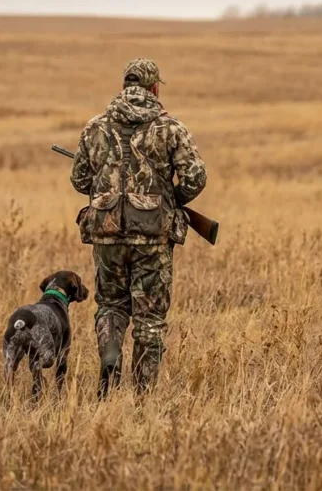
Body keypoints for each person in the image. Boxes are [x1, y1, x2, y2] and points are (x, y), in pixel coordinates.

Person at [70, 58, 207, 397]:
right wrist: (168, 199)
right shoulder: (171, 128)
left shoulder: (95, 127)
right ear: (154, 87)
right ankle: (144, 395)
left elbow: (79, 180)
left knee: (111, 305)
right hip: (153, 238)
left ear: (124, 86)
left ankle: (110, 358)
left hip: (106, 233)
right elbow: (195, 178)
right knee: (149, 316)